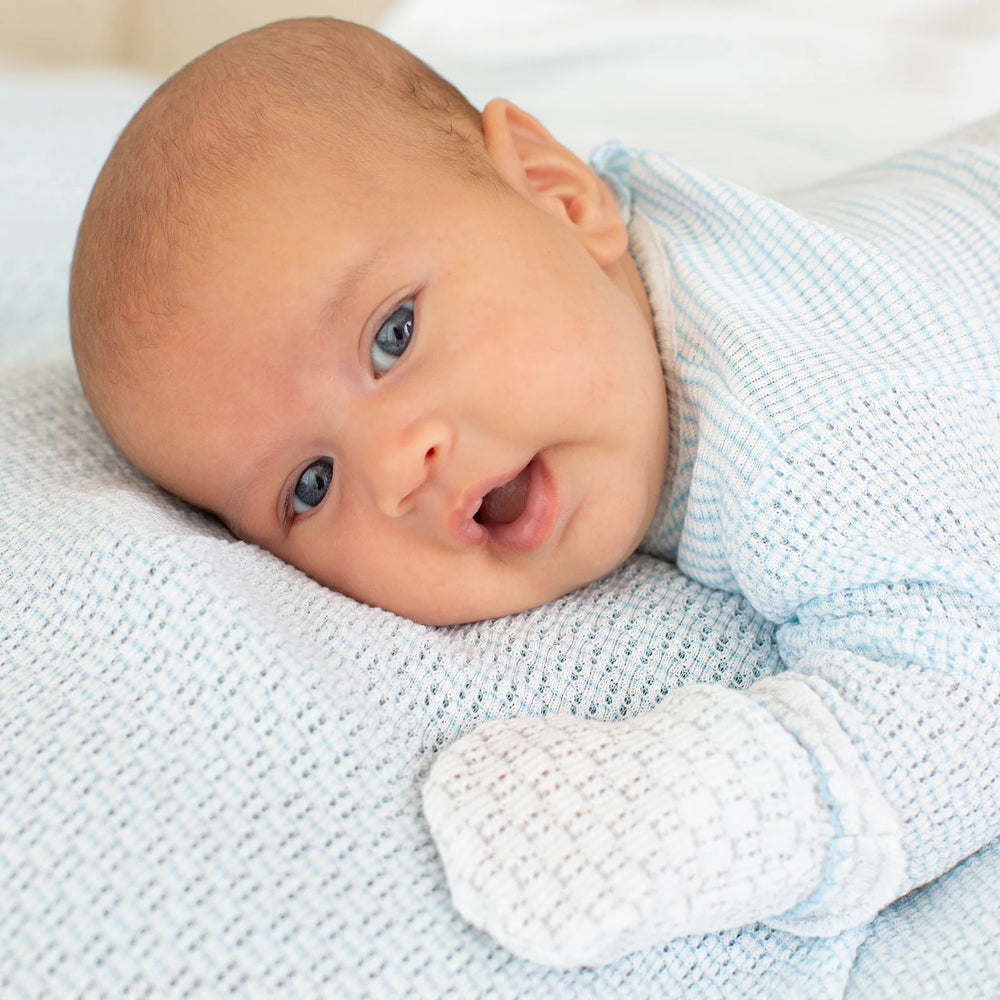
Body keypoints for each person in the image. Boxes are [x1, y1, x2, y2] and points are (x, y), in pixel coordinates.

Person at [70, 17, 1000, 969]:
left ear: (559, 196)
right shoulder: (602, 302)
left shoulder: (809, 438)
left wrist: (690, 808)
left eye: (393, 335)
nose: (397, 469)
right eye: (312, 485)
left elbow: (966, 700)